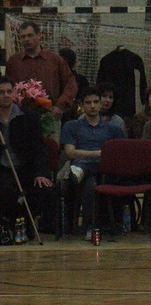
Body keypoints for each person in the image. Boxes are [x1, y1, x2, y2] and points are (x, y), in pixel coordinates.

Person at [61, 87, 123, 238]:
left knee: (89, 169)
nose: (93, 106)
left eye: (96, 102)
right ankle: (91, 228)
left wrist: (90, 155)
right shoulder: (72, 126)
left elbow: (118, 154)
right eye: (88, 103)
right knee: (90, 184)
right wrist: (100, 153)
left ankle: (81, 170)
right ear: (82, 105)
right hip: (86, 170)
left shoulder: (113, 129)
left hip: (105, 170)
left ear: (101, 104)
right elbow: (70, 153)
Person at [0, 76, 53, 236]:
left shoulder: (29, 117)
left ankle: (28, 221)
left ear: (14, 93)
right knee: (6, 190)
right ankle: (14, 223)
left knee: (44, 190)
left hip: (26, 167)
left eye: (9, 91)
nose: (6, 95)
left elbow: (40, 148)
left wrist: (40, 173)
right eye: (1, 92)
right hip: (3, 169)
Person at [6, 21, 77, 140]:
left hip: (49, 116)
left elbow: (71, 84)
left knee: (50, 149)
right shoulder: (13, 62)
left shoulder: (55, 60)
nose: (26, 39)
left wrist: (60, 106)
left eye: (30, 35)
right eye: (23, 37)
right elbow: (7, 87)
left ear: (39, 36)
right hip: (21, 117)